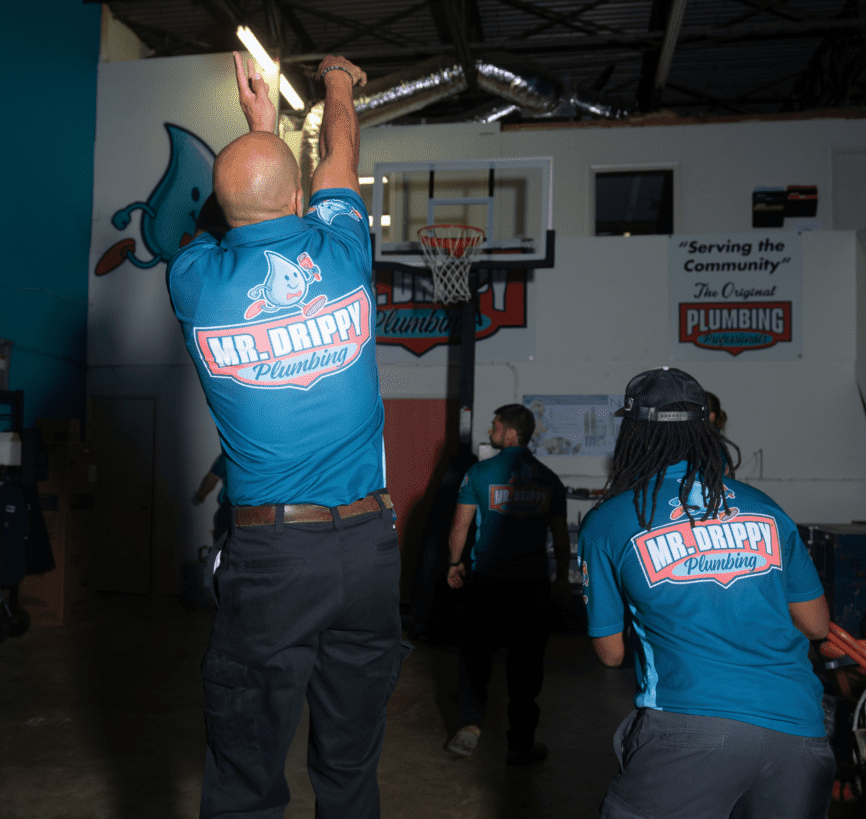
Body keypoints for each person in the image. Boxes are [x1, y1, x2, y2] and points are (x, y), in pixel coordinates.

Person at [167, 52, 405, 819]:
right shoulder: (342, 251)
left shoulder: (193, 282)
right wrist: (338, 79)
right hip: (369, 550)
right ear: (301, 198)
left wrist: (257, 130)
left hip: (271, 562)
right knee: (349, 768)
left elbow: (219, 215)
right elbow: (340, 151)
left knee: (244, 775)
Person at [578, 367, 834, 819]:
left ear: (632, 432)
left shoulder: (611, 521)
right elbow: (815, 625)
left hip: (687, 724)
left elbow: (611, 652)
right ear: (706, 427)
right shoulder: (765, 507)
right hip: (799, 731)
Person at [445, 404, 571, 765]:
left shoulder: (480, 472)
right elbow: (560, 539)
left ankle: (470, 726)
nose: (490, 428)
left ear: (509, 432)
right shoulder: (549, 478)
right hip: (531, 587)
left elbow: (459, 527)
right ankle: (520, 745)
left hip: (488, 582)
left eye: (495, 424)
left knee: (475, 658)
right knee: (526, 667)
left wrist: (455, 563)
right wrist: (561, 577)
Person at [191, 452, 232, 541]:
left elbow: (213, 477)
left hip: (230, 511)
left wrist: (200, 495)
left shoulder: (231, 452)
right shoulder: (267, 451)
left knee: (224, 548)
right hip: (260, 511)